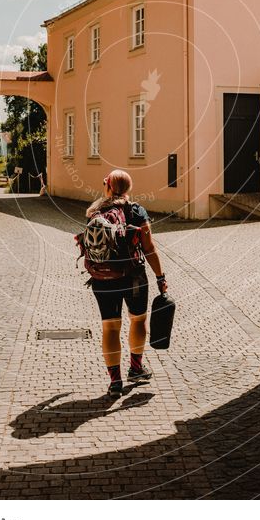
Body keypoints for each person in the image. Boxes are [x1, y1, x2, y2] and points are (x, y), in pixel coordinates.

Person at [86, 169, 168, 397]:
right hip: (133, 277)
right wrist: (160, 277)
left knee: (110, 327)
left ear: (108, 187)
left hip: (102, 278)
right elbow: (149, 248)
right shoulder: (136, 211)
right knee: (138, 320)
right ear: (128, 189)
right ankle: (136, 368)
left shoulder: (95, 211)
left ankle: (115, 381)